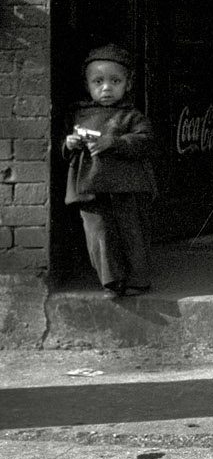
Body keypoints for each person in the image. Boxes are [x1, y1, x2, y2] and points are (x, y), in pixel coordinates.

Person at [62, 44, 156, 297]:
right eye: (98, 81)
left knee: (131, 232)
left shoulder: (131, 116)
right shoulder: (79, 115)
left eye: (115, 81)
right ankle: (111, 281)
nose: (106, 88)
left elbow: (146, 142)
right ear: (87, 85)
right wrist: (69, 144)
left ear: (128, 84)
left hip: (126, 186)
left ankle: (138, 280)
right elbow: (66, 147)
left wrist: (114, 142)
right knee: (99, 234)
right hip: (90, 186)